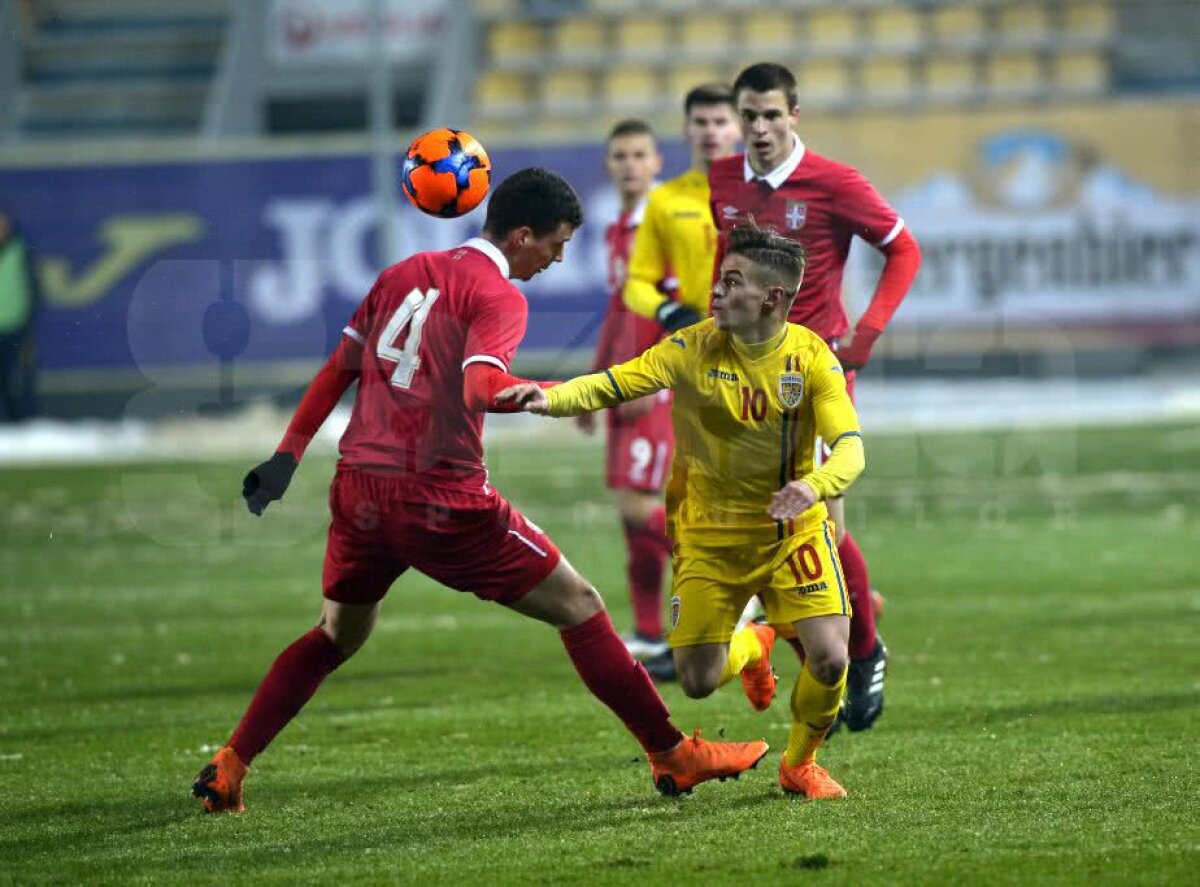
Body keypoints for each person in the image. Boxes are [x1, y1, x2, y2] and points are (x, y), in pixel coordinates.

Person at [190, 168, 769, 813]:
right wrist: (537, 395)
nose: (556, 259)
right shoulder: (499, 296)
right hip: (440, 498)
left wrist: (285, 458)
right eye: (555, 244)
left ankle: (231, 763)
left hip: (358, 491)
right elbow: (480, 388)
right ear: (522, 235)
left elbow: (338, 371)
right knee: (578, 605)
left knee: (335, 635)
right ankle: (673, 755)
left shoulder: (403, 272)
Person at [499, 222, 864, 799]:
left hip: (792, 533)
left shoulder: (810, 358)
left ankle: (799, 764)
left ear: (773, 298)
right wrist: (548, 397)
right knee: (695, 682)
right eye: (719, 279)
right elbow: (613, 383)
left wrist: (815, 486)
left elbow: (850, 446)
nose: (715, 293)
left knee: (829, 660)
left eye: (732, 282)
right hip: (708, 537)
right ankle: (755, 646)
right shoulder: (691, 347)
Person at [706, 62, 923, 732]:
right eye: (750, 116)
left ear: (794, 114)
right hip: (747, 377)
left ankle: (861, 651)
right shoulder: (721, 183)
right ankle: (820, 654)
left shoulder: (834, 184)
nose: (761, 128)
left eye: (772, 115)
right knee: (767, 524)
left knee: (819, 522)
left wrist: (867, 331)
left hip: (817, 372)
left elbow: (904, 250)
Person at [614, 86, 743, 676]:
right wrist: (668, 312)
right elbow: (638, 283)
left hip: (764, 361)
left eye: (722, 120)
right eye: (701, 121)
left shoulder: (765, 192)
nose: (712, 131)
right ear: (686, 131)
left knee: (783, 491)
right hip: (698, 366)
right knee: (689, 502)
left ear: (738, 128)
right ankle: (694, 629)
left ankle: (828, 606)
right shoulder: (667, 201)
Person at [579, 119, 677, 676]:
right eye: (621, 155)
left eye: (640, 154)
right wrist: (596, 384)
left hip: (648, 386)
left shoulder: (662, 224)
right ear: (609, 164)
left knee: (641, 507)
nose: (631, 164)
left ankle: (738, 584)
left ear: (657, 162)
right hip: (620, 382)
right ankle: (647, 631)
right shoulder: (619, 228)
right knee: (630, 514)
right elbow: (620, 312)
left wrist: (656, 377)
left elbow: (678, 304)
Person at [0, 211, 40, 422]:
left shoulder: (21, 250)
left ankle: (22, 426)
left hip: (15, 328)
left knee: (16, 380)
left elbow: (33, 288)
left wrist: (28, 322)